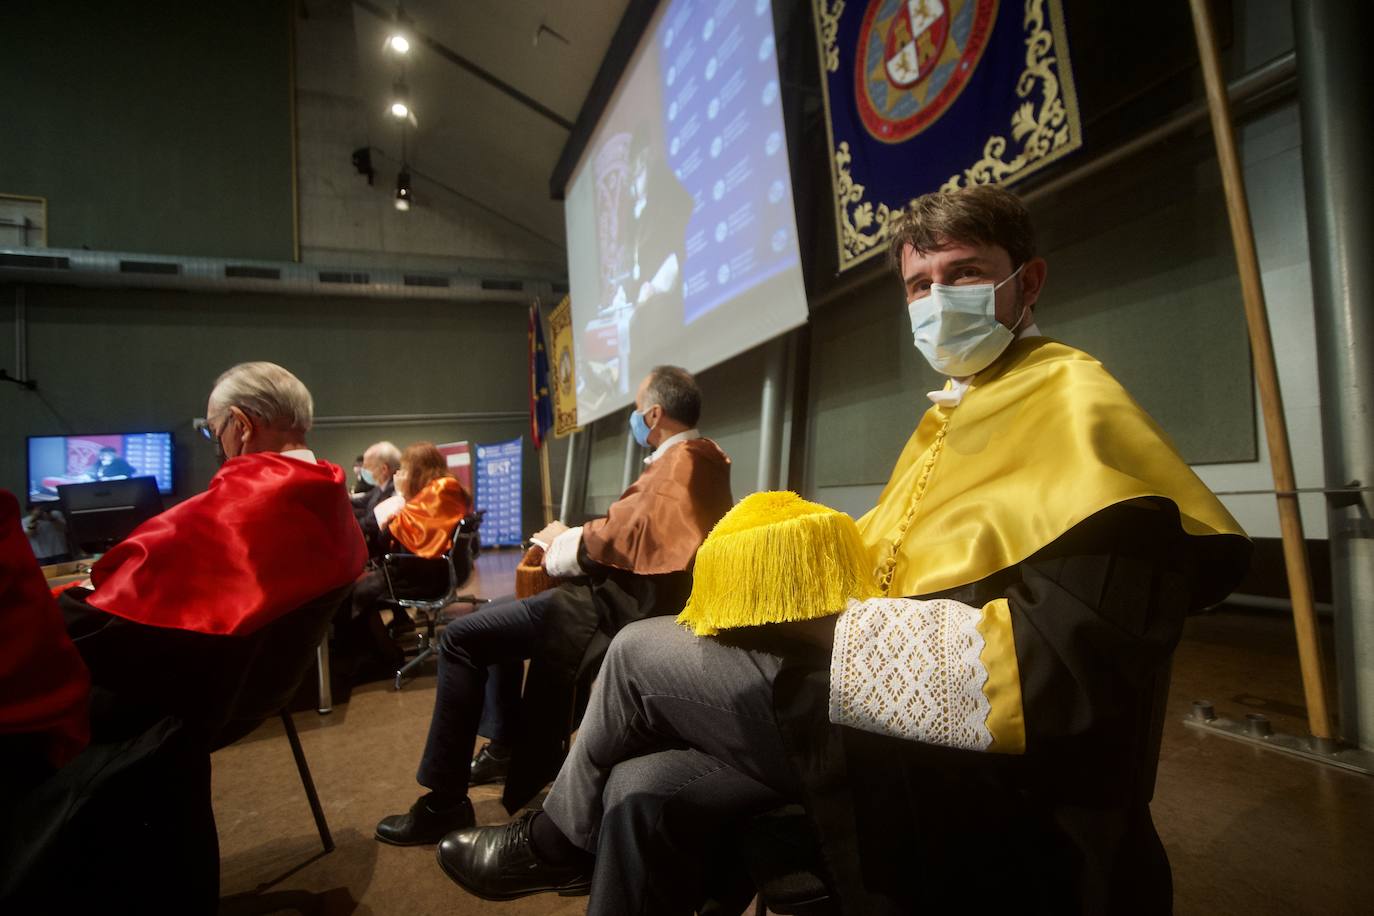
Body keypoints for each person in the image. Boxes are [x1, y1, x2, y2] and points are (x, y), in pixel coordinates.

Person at [435, 187, 1252, 914]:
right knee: (642, 788)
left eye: (963, 274)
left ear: (1026, 283)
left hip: (972, 766)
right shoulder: (955, 415)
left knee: (641, 653)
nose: (936, 301)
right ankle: (571, 837)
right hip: (880, 717)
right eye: (918, 285)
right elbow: (887, 568)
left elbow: (1066, 672)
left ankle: (548, 843)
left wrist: (825, 633)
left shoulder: (1080, 410)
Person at [374, 365, 734, 847]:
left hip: (615, 608)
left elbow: (629, 537)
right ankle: (503, 744)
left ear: (653, 415)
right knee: (491, 616)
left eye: (633, 411)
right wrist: (577, 535)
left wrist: (563, 540)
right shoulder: (700, 457)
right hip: (621, 595)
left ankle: (444, 802)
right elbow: (637, 530)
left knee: (461, 638)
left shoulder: (683, 461)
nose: (632, 419)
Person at [345, 442, 473, 675]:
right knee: (356, 588)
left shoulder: (441, 489)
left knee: (356, 592)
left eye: (404, 470)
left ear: (418, 469)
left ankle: (386, 658)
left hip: (426, 574)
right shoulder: (439, 489)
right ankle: (377, 652)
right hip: (425, 568)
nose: (400, 475)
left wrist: (399, 505)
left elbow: (394, 534)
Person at [353, 440, 401, 556]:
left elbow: (371, 523)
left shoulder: (396, 492)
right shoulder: (380, 488)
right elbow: (359, 502)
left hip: (381, 557)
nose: (363, 471)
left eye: (367, 467)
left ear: (384, 469)